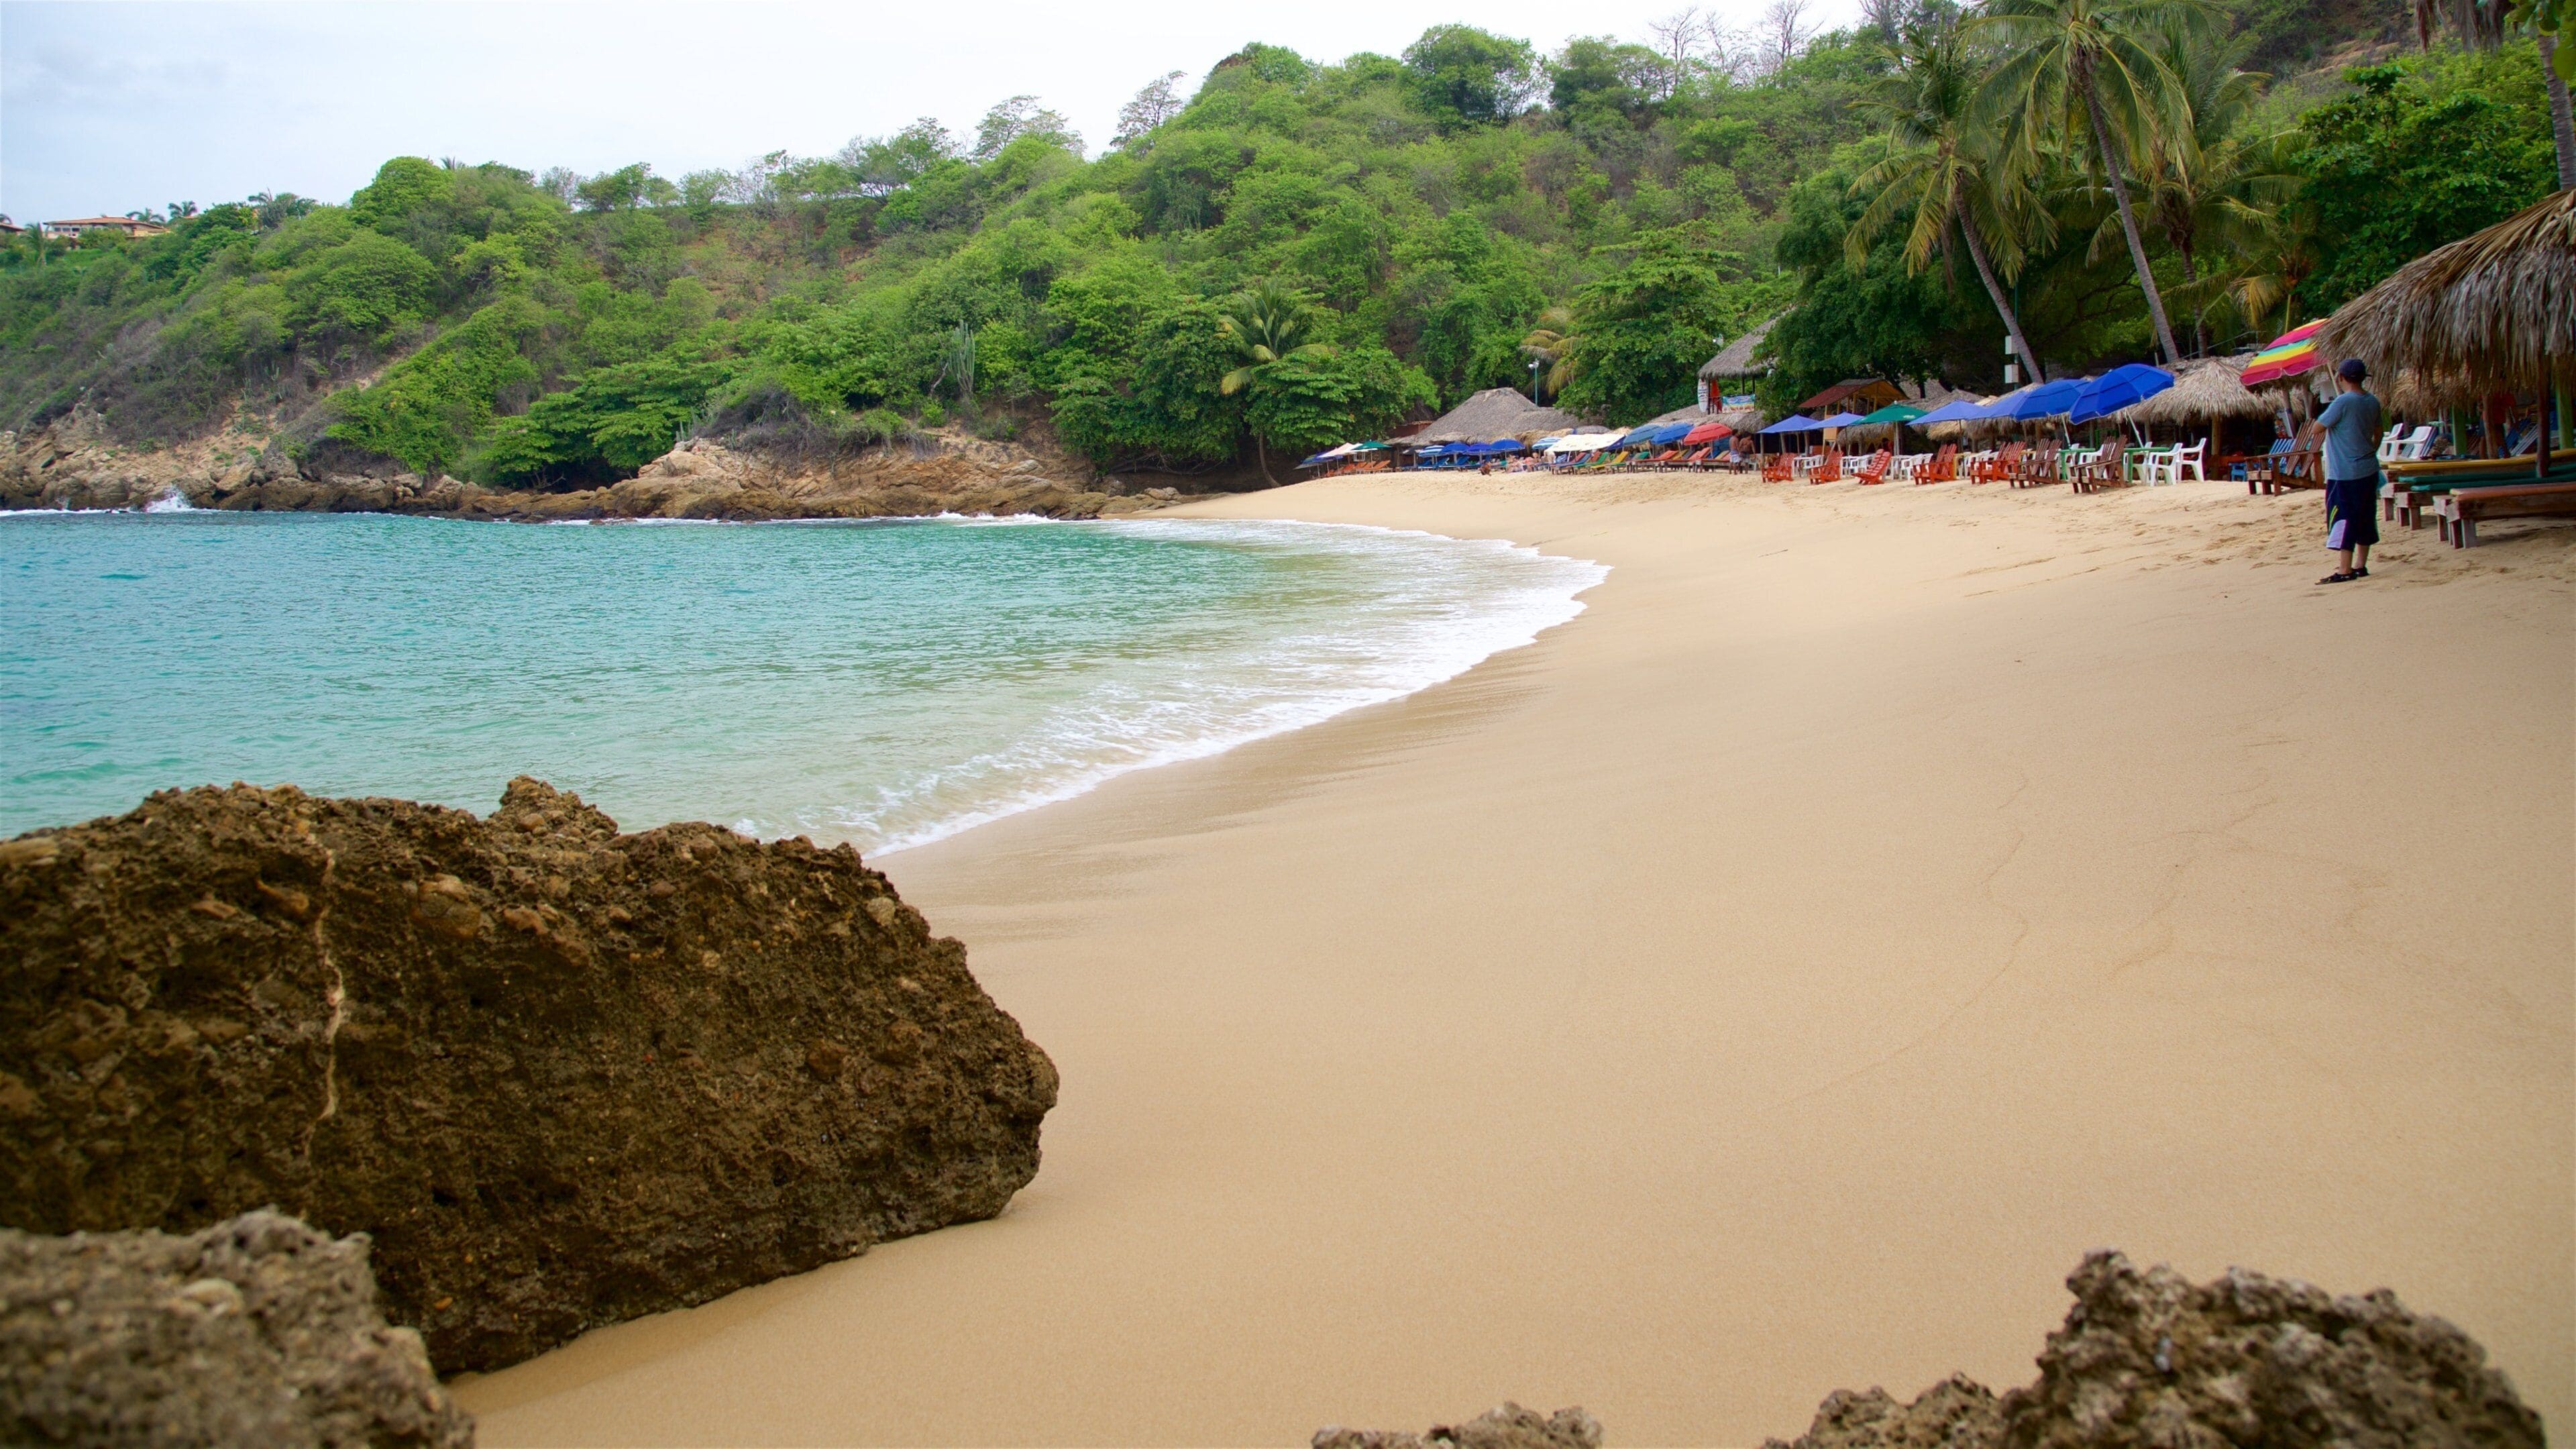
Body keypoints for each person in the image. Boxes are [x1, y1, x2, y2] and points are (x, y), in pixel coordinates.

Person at [2306, 358, 2382, 584]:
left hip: (2345, 472)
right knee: (2366, 515)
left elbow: (2316, 428)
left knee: (2343, 516)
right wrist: (2371, 450)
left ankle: (2345, 568)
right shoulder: (2372, 401)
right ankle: (2360, 564)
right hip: (2368, 468)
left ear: (2340, 378)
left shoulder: (2343, 402)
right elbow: (2379, 432)